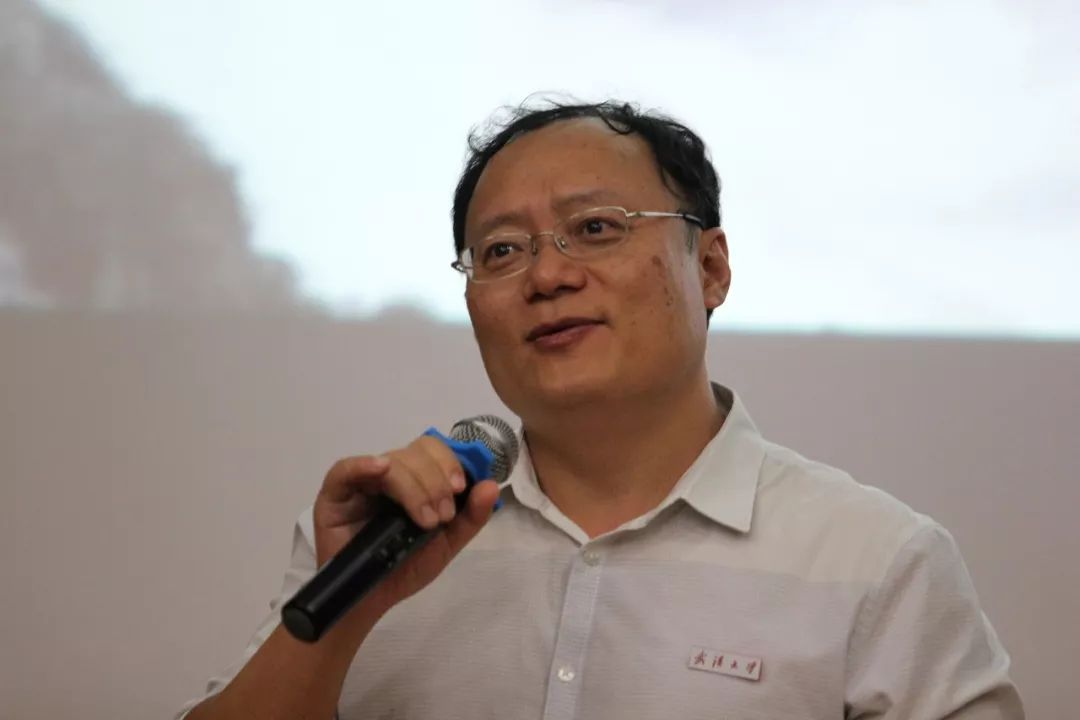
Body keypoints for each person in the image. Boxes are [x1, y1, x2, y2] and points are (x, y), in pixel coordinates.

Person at [177, 99, 1024, 719]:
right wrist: (344, 616)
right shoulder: (384, 539)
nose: (547, 276)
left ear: (711, 269)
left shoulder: (877, 560)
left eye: (596, 228)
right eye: (501, 250)